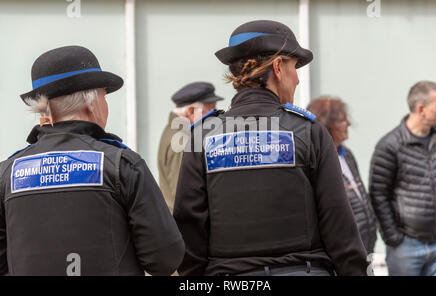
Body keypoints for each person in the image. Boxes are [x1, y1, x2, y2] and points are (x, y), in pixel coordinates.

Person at [173, 20, 369, 276]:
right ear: (278, 67)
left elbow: (189, 231)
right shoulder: (309, 132)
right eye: (294, 67)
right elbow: (339, 226)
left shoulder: (202, 135)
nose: (298, 79)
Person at [0, 45, 184, 276]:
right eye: (104, 97)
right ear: (92, 103)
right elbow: (165, 259)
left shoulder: (7, 173)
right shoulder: (122, 164)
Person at [369, 81, 436, 276]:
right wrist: (393, 238)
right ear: (421, 109)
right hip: (406, 246)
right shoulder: (389, 146)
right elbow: (378, 195)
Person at [307, 96, 377, 254]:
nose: (349, 124)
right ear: (326, 125)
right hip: (342, 251)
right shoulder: (316, 159)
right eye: (342, 120)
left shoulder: (346, 154)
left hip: (364, 246)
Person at [157, 82, 223, 213]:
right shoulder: (183, 139)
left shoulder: (174, 130)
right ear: (191, 111)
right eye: (210, 111)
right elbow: (183, 194)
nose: (214, 117)